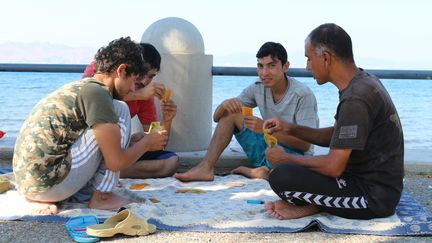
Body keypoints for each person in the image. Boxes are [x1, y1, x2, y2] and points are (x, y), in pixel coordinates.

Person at [263, 23, 404, 220]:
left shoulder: (356, 98)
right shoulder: (363, 82)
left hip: (373, 197)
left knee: (281, 176)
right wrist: (290, 128)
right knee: (290, 171)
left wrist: (285, 158)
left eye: (309, 59)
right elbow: (336, 135)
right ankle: (318, 204)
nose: (307, 66)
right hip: (365, 181)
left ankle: (316, 206)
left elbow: (333, 167)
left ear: (326, 58)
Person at [12, 37, 168, 215]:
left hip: (29, 185)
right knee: (120, 109)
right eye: (133, 81)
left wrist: (138, 141)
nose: (134, 89)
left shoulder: (83, 87)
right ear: (121, 70)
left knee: (111, 126)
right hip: (48, 186)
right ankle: (102, 197)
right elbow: (116, 162)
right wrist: (147, 143)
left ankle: (55, 195)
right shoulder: (98, 94)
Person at [174, 42, 319, 182]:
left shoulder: (302, 95)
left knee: (284, 175)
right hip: (268, 149)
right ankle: (205, 168)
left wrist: (264, 129)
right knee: (231, 114)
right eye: (260, 66)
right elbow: (218, 117)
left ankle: (260, 172)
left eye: (272, 66)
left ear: (285, 66)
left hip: (295, 156)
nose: (264, 73)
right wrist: (224, 105)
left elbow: (305, 145)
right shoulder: (257, 87)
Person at [82, 43, 179, 179]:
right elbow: (89, 97)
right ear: (125, 69)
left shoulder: (147, 97)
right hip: (90, 146)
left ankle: (109, 171)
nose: (145, 81)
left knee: (171, 162)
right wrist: (138, 95)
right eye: (141, 74)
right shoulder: (103, 70)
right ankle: (108, 170)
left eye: (151, 76)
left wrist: (167, 120)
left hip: (116, 154)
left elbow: (156, 141)